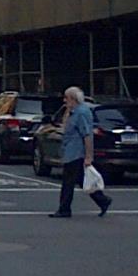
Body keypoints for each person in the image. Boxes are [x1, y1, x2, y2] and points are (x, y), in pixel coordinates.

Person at [51, 86, 112, 218]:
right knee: (81, 179)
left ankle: (64, 209)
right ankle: (102, 200)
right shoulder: (73, 112)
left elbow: (87, 135)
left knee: (68, 182)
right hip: (70, 151)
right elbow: (66, 127)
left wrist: (89, 156)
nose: (64, 100)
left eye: (66, 98)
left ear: (73, 99)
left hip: (76, 153)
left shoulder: (81, 113)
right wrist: (67, 111)